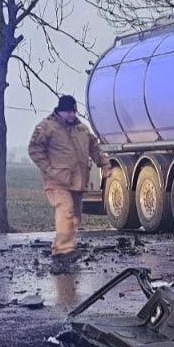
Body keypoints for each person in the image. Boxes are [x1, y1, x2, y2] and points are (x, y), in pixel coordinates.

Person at [28, 95, 106, 274]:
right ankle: (64, 250)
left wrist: (104, 164)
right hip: (56, 181)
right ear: (60, 110)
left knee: (75, 217)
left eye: (73, 111)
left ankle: (59, 248)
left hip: (77, 181)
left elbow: (94, 148)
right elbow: (34, 149)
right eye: (68, 111)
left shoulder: (82, 129)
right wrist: (48, 169)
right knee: (66, 210)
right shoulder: (47, 127)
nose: (71, 115)